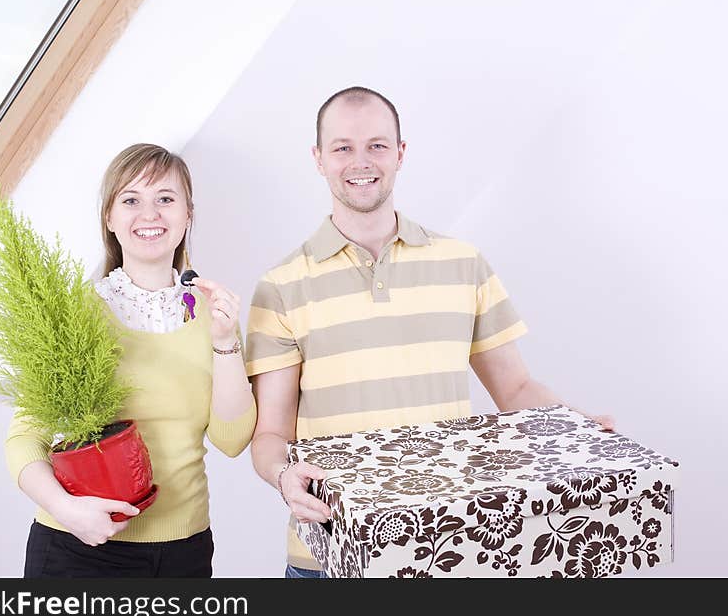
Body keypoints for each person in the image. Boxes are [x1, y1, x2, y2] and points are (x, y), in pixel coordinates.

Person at [245, 87, 614, 578]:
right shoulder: (281, 285)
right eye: (342, 147)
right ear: (318, 158)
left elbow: (516, 389)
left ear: (400, 153)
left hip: (447, 546)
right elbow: (271, 433)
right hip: (330, 559)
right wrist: (283, 475)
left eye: (377, 145)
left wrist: (577, 429)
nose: (361, 161)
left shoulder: (463, 263)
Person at [5, 143, 256, 577]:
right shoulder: (73, 313)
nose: (150, 214)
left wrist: (224, 340)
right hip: (79, 546)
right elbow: (24, 439)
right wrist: (67, 509)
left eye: (165, 198)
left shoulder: (213, 312)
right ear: (109, 218)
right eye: (131, 200)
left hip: (185, 551)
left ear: (187, 213)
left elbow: (231, 440)